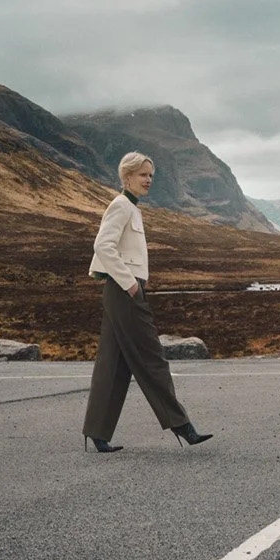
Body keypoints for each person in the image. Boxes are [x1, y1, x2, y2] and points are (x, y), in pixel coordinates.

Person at [81, 152, 212, 451]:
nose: (149, 179)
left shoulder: (132, 208)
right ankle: (182, 426)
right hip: (124, 291)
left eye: (151, 175)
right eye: (143, 174)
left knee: (112, 364)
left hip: (124, 291)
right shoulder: (121, 206)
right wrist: (129, 284)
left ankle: (97, 432)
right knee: (153, 357)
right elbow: (102, 244)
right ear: (127, 176)